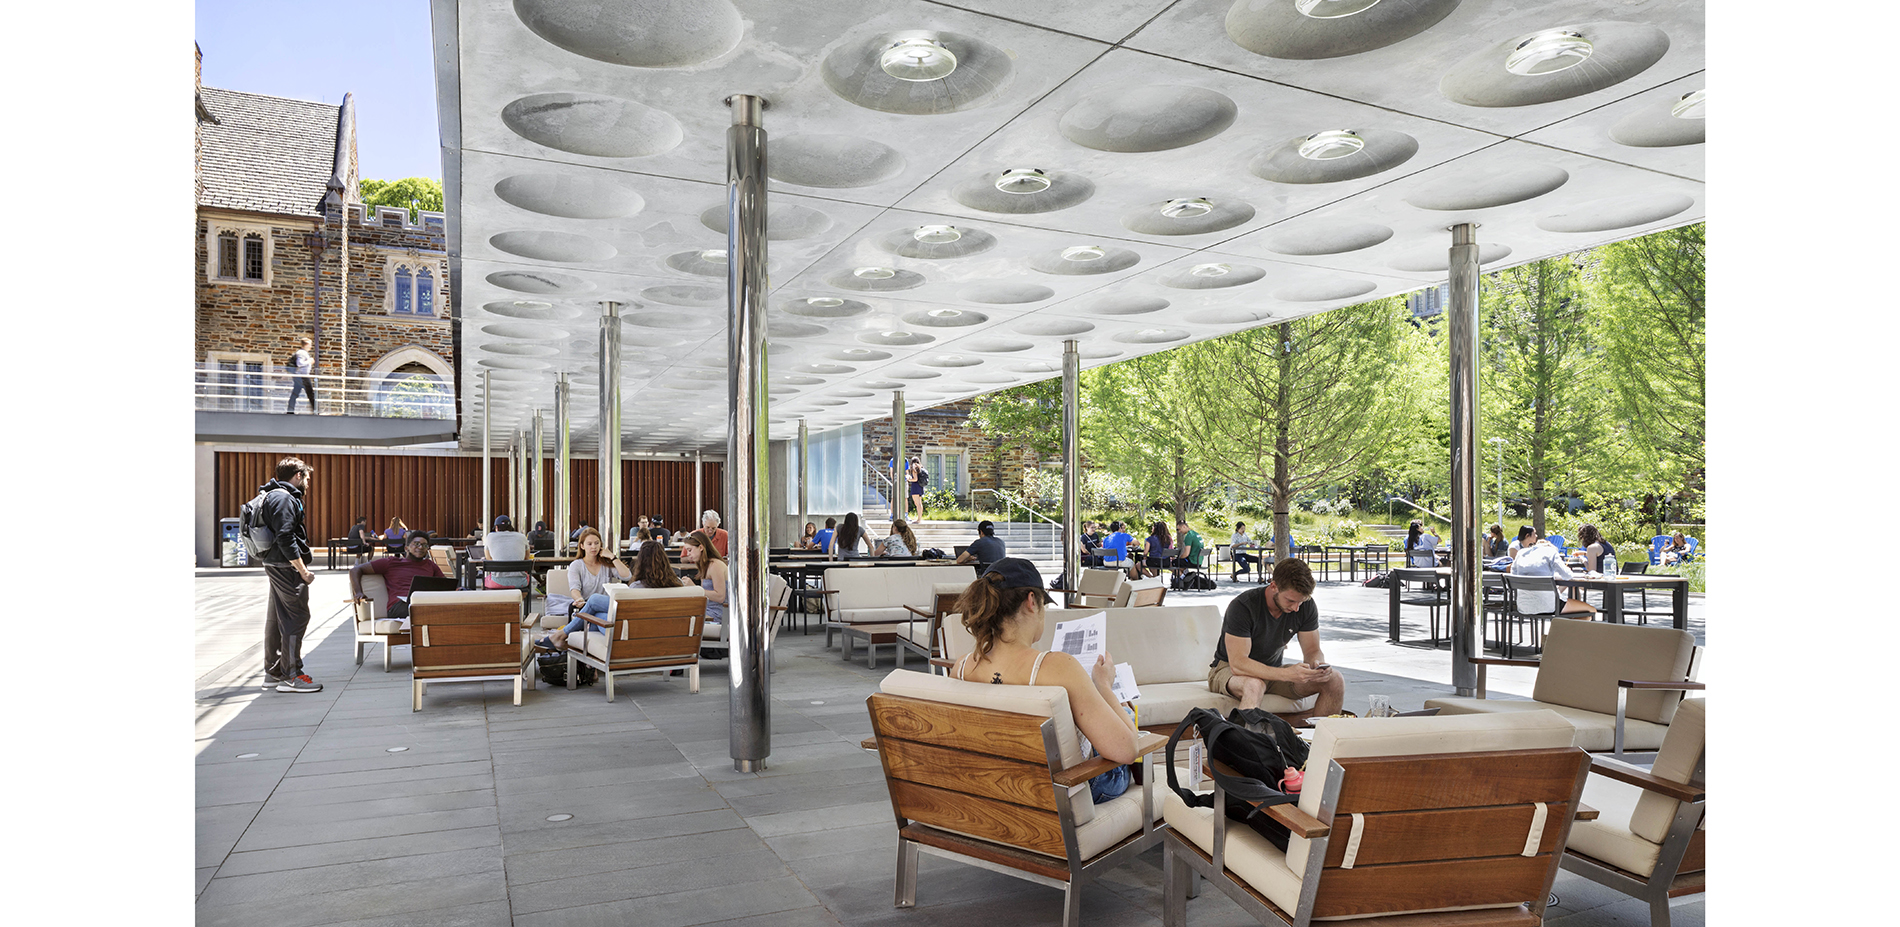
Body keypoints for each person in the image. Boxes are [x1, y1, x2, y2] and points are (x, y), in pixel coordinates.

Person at [950, 558, 1139, 802]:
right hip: (1055, 797)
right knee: (1127, 722)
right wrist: (1104, 687)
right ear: (1031, 602)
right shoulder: (1058, 667)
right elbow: (1126, 751)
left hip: (994, 790)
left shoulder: (962, 667)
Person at [1208, 558, 1343, 720]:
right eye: (1291, 601)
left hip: (1273, 671)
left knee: (1335, 679)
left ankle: (1322, 742)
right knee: (1254, 685)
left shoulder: (1305, 606)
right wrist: (1287, 674)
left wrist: (1317, 666)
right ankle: (1242, 744)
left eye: (1301, 601)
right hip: (1228, 670)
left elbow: (1312, 650)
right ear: (1274, 586)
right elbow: (1239, 664)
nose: (1295, 608)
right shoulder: (1243, 606)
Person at [257, 457, 322, 693]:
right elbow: (285, 537)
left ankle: (274, 672)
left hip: (275, 564)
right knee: (296, 618)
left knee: (276, 619)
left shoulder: (272, 494)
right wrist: (302, 571)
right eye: (306, 478)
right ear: (298, 475)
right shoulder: (284, 498)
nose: (307, 483)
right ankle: (292, 675)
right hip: (286, 567)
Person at [537, 528, 637, 651]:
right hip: (591, 612)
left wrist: (612, 556)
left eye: (596, 543)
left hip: (605, 605)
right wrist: (579, 599)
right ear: (582, 546)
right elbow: (574, 589)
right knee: (601, 619)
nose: (593, 547)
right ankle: (598, 660)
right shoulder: (577, 565)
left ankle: (559, 635)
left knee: (594, 599)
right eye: (589, 544)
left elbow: (627, 576)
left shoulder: (606, 564)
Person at [350, 531, 446, 627]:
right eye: (417, 544)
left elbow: (446, 584)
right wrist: (358, 592)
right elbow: (355, 570)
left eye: (424, 545)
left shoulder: (430, 565)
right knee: (427, 611)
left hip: (424, 603)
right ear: (406, 548)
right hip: (399, 606)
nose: (420, 547)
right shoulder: (391, 563)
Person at [1508, 528, 1598, 618]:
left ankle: (1564, 630)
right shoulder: (1551, 552)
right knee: (1591, 610)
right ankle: (1570, 631)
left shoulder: (1520, 553)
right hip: (1550, 606)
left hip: (1524, 607)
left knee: (1573, 611)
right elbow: (1567, 575)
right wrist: (1567, 569)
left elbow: (1514, 575)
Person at [680, 531, 728, 626]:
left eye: (690, 550)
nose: (688, 554)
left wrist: (695, 588)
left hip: (718, 616)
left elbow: (720, 596)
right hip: (708, 612)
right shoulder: (705, 565)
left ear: (701, 548)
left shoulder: (715, 565)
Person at [481, 515, 530, 590]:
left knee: (483, 583)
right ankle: (516, 600)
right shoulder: (522, 537)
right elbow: (526, 558)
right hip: (520, 582)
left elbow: (488, 558)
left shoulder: (490, 537)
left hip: (497, 582)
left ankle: (498, 601)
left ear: (496, 527)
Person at [285, 336, 316, 414]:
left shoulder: (301, 352)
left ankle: (290, 411)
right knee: (310, 394)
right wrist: (309, 361)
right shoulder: (302, 353)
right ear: (306, 344)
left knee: (295, 394)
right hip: (303, 376)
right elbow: (300, 363)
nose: (311, 346)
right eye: (310, 344)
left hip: (300, 376)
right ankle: (315, 411)